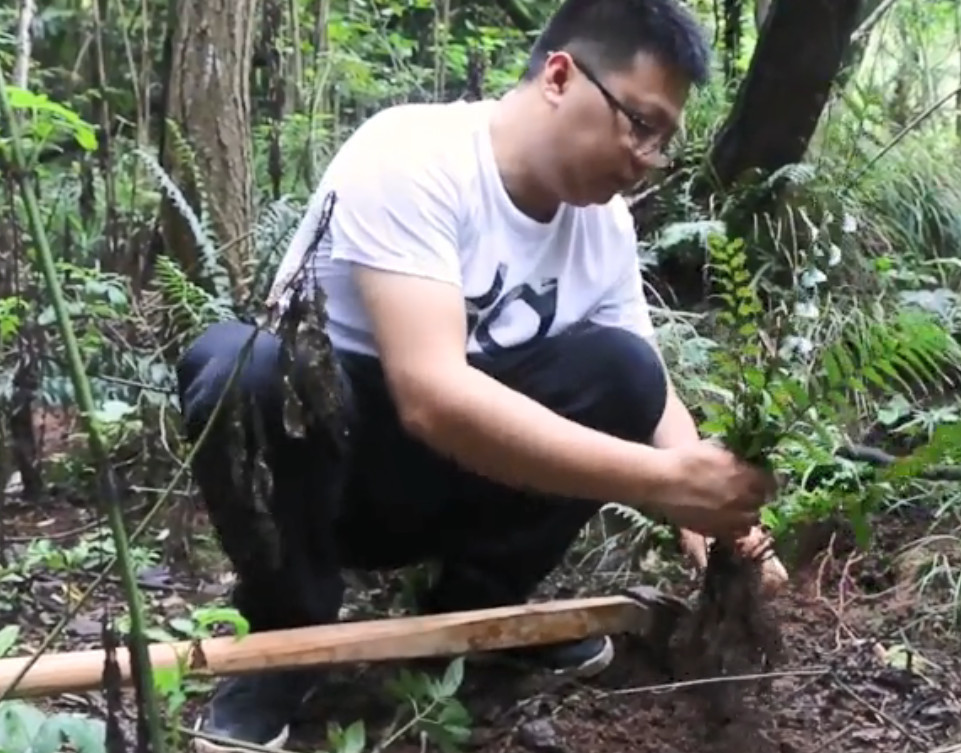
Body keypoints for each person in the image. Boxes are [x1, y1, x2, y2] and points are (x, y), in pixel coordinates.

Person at [175, 0, 777, 750]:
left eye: (661, 139)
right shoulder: (411, 155)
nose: (644, 156)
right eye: (638, 122)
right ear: (559, 75)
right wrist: (658, 481)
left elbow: (647, 387)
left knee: (621, 371)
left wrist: (706, 511)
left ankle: (477, 612)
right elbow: (431, 397)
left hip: (459, 485)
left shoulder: (604, 226)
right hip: (335, 477)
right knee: (240, 367)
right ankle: (284, 631)